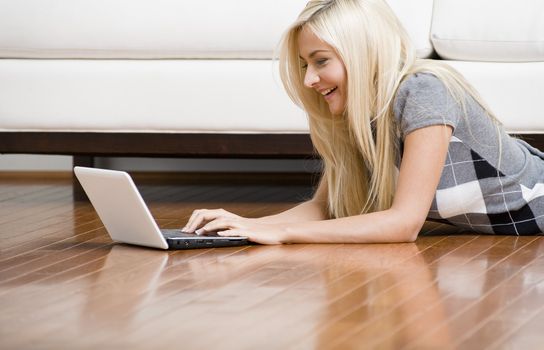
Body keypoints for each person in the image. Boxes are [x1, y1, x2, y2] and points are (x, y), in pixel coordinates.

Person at [182, 0, 544, 244]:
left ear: (362, 52)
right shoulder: (360, 115)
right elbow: (324, 208)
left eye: (320, 61)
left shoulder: (421, 91)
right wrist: (241, 227)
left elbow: (404, 224)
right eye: (306, 64)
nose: (309, 79)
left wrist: (285, 234)